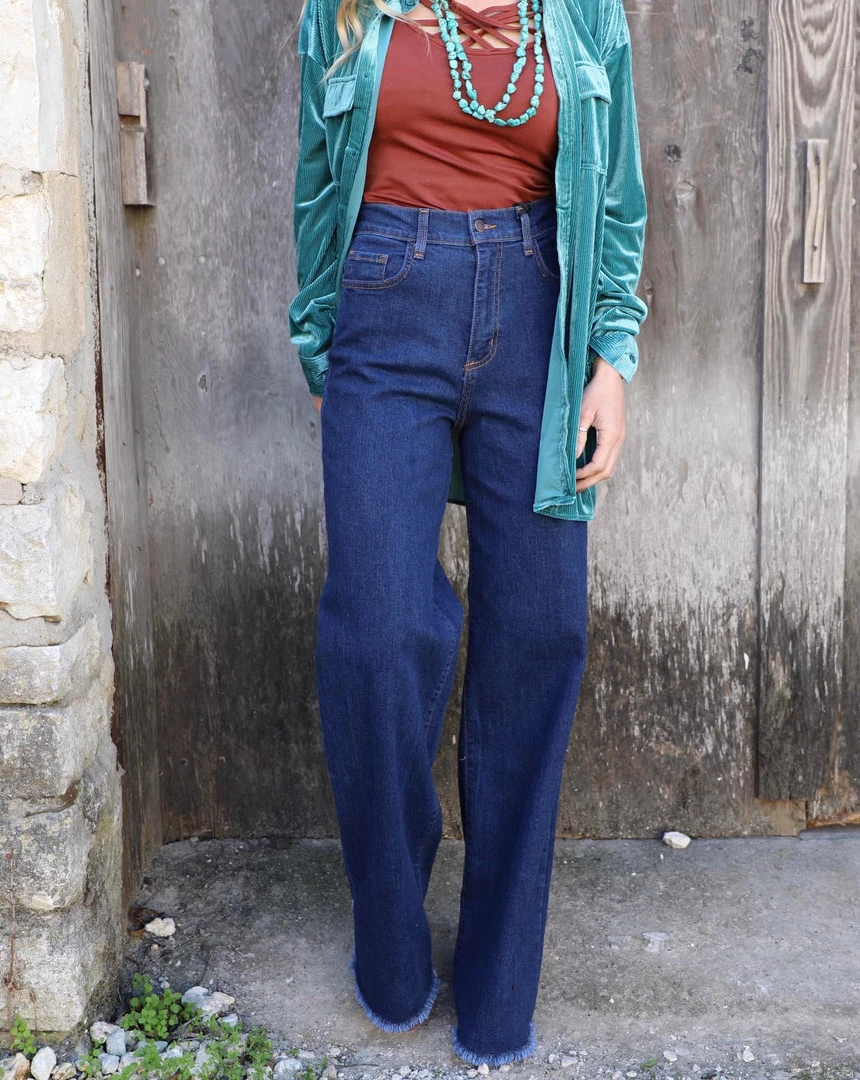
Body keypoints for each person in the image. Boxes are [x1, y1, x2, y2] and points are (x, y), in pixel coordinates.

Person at [288, 0, 648, 1065]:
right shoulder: (346, 11)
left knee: (540, 634)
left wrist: (612, 360)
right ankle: (393, 948)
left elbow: (616, 200)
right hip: (385, 300)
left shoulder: (584, 16)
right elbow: (316, 179)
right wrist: (321, 343)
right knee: (377, 634)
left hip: (540, 312)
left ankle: (498, 990)